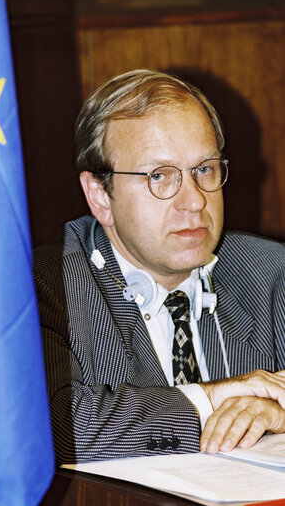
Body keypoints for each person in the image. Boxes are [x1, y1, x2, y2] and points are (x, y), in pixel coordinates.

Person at [34, 69, 285, 464]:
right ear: (100, 196)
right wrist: (210, 397)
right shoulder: (44, 288)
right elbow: (50, 427)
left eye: (204, 170)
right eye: (159, 176)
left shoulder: (271, 271)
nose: (195, 202)